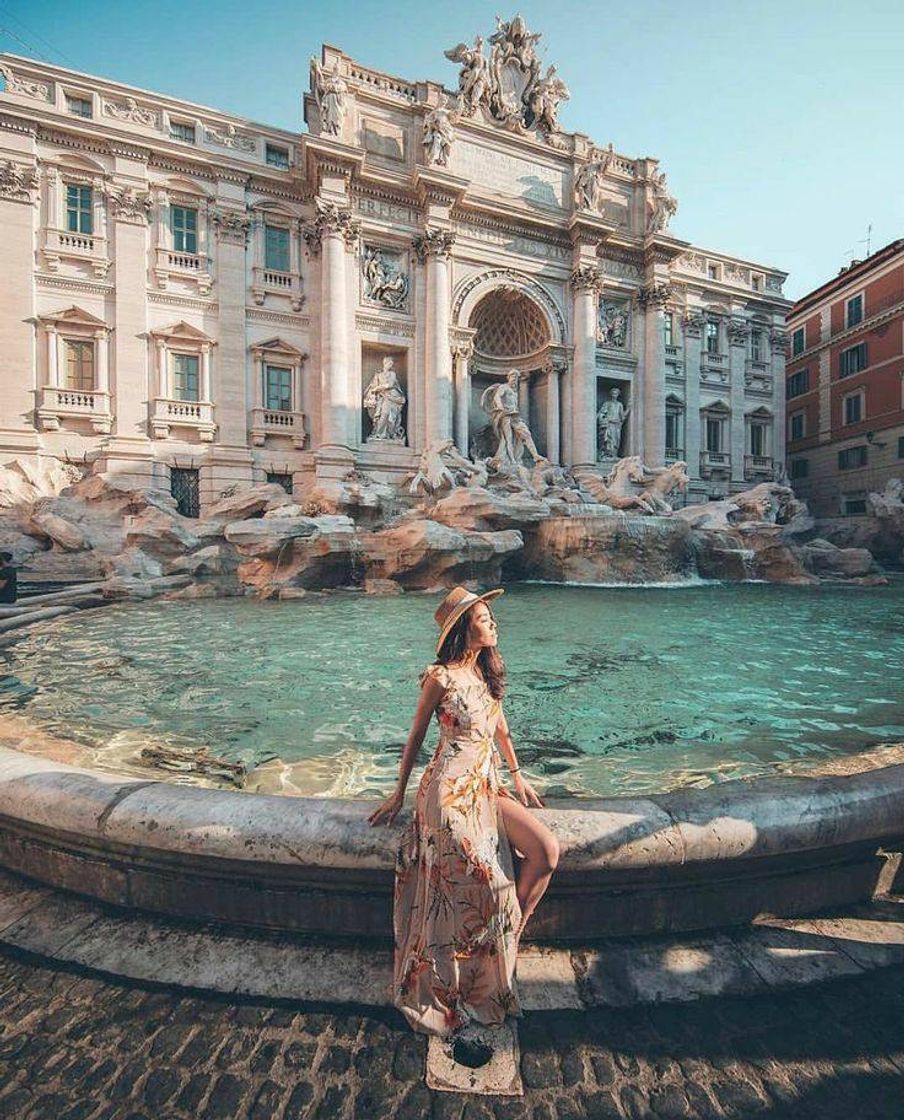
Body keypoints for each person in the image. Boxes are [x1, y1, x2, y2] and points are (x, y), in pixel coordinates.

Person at [369, 586, 559, 1068]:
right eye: (483, 617)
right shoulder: (440, 677)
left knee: (546, 851)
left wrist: (519, 778)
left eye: (491, 616)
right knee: (488, 881)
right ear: (462, 629)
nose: (493, 623)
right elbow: (414, 738)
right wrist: (397, 793)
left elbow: (501, 730)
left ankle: (505, 942)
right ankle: (473, 972)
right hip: (446, 795)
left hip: (486, 787)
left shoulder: (485, 673)